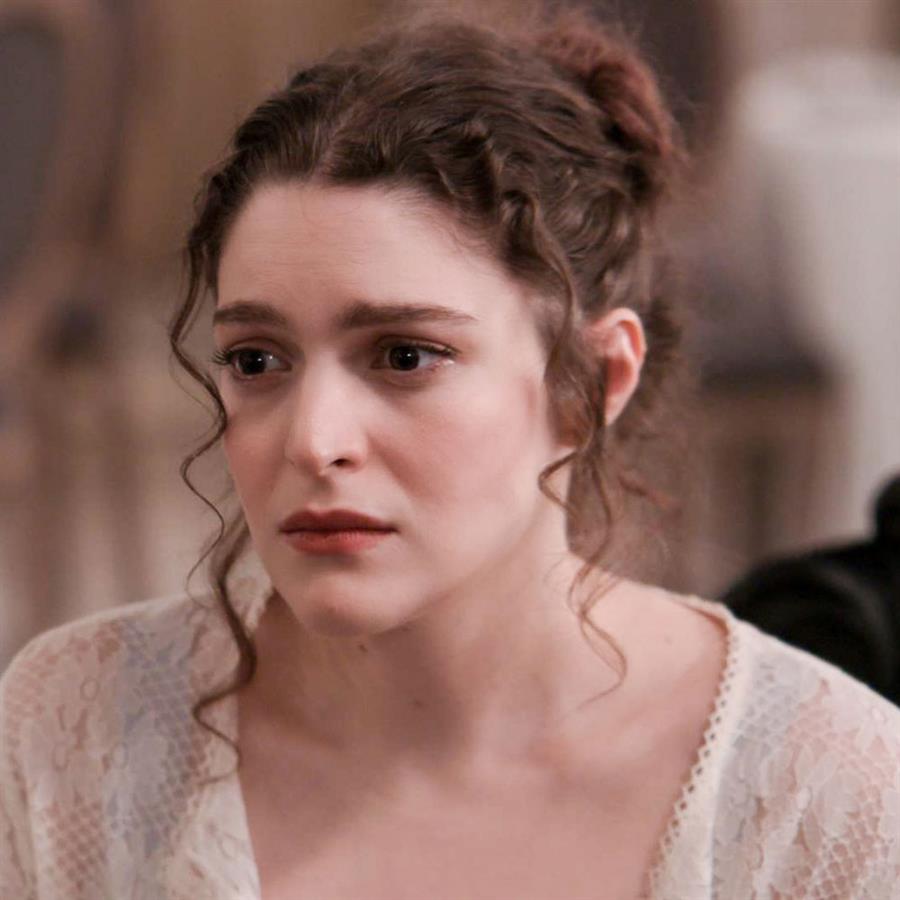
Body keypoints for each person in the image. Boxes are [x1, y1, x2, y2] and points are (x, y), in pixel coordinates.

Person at [2, 7, 899, 899]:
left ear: (592, 381)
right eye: (258, 361)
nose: (313, 441)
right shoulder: (69, 735)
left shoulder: (827, 798)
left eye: (404, 357)